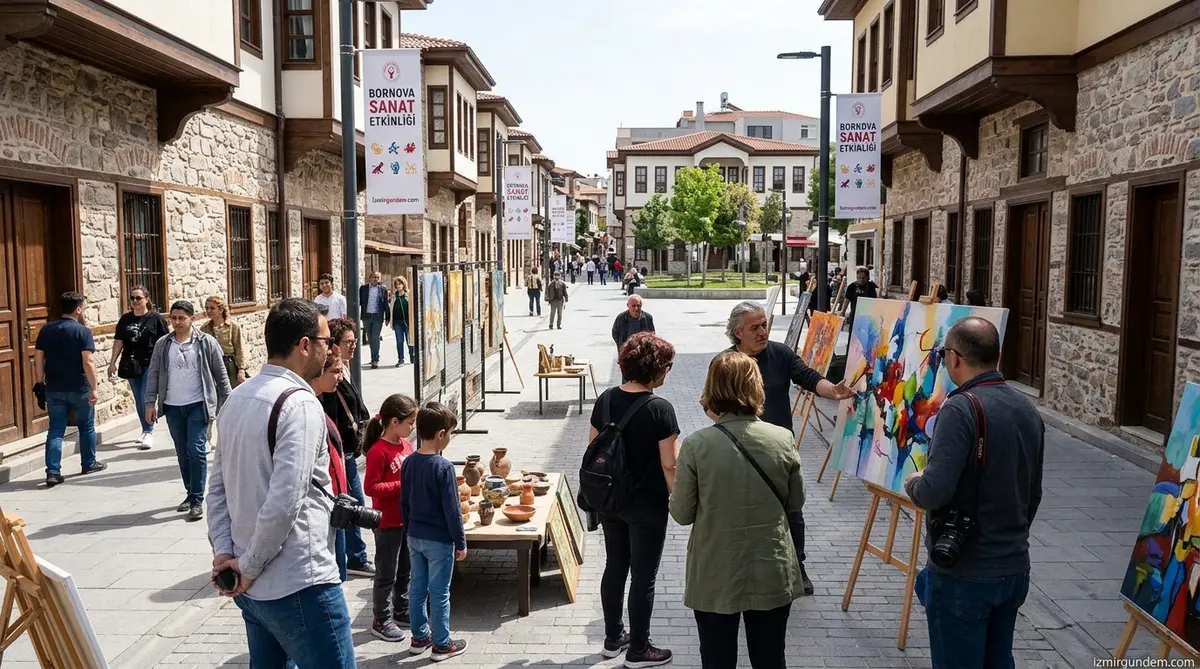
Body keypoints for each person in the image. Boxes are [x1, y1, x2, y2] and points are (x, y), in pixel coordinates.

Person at [208, 298, 355, 668]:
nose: (331, 350)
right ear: (305, 346)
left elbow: (217, 489)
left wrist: (228, 555)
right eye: (326, 341)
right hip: (299, 582)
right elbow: (285, 502)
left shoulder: (238, 398)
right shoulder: (300, 405)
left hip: (251, 582)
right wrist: (248, 565)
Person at [904, 318, 1044, 669]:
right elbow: (1034, 493)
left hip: (966, 571)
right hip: (1013, 566)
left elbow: (934, 490)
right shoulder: (1027, 408)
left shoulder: (961, 408)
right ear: (996, 355)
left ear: (953, 358)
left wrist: (913, 483)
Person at [671, 351, 805, 669]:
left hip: (716, 569)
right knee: (771, 658)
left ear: (713, 389)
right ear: (757, 388)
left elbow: (681, 513)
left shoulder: (696, 445)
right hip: (770, 566)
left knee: (717, 660)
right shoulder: (782, 438)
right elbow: (795, 503)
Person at [725, 301, 853, 594]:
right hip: (740, 452)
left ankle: (798, 566)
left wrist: (832, 390)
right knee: (744, 512)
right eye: (754, 327)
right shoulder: (725, 363)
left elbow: (807, 377)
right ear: (737, 333)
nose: (762, 332)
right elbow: (710, 404)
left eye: (764, 325)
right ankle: (747, 570)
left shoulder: (780, 354)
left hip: (780, 450)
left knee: (791, 510)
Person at [590, 332, 678, 667]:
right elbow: (670, 464)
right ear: (655, 369)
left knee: (615, 567)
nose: (668, 372)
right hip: (648, 505)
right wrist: (682, 500)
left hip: (612, 500)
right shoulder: (660, 409)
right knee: (644, 576)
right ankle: (639, 649)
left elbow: (592, 449)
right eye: (666, 366)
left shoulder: (607, 399)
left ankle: (613, 638)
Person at [145, 300, 232, 521]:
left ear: (192, 319)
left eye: (181, 318)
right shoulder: (163, 344)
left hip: (198, 404)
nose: (176, 322)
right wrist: (149, 403)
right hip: (173, 406)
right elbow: (154, 374)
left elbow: (221, 375)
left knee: (196, 449)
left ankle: (196, 500)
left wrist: (230, 403)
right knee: (182, 452)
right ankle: (190, 491)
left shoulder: (206, 342)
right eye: (173, 318)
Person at [401, 402, 468, 660]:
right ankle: (442, 644)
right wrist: (460, 542)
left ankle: (419, 637)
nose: (450, 438)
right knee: (439, 592)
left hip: (415, 536)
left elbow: (404, 502)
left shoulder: (409, 463)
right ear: (441, 434)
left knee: (417, 588)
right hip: (439, 540)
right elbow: (452, 511)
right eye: (450, 433)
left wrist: (410, 530)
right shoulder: (443, 467)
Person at [321, 317, 375, 579]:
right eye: (348, 342)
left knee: (353, 504)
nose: (353, 346)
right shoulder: (331, 374)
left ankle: (353, 556)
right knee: (351, 505)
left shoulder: (343, 367)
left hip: (348, 452)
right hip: (339, 454)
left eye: (355, 341)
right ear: (333, 344)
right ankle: (354, 558)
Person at [362, 393, 419, 642]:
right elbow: (371, 488)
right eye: (410, 422)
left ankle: (401, 608)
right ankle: (381, 618)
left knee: (405, 569)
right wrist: (402, 485)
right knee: (387, 572)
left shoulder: (406, 445)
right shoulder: (378, 451)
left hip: (406, 518)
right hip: (387, 523)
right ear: (394, 421)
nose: (413, 426)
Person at [36, 291, 105, 487]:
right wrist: (95, 387)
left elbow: (39, 358)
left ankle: (53, 471)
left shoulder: (46, 330)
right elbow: (88, 361)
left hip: (55, 387)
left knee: (56, 429)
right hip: (79, 387)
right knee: (86, 426)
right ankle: (88, 463)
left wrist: (40, 382)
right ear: (78, 309)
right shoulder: (83, 332)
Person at [108, 285, 169, 450]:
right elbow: (119, 341)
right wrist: (112, 362)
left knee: (145, 397)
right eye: (132, 298)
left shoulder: (156, 319)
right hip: (131, 365)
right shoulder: (125, 319)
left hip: (150, 363)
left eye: (138, 298)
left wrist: (166, 363)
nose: (135, 301)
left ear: (147, 299)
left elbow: (165, 341)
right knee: (138, 399)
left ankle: (149, 431)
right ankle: (145, 428)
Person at [201, 295, 247, 388]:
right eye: (207, 308)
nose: (208, 311)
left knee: (230, 391)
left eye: (212, 308)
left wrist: (241, 370)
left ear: (221, 310)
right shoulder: (204, 328)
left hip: (228, 364)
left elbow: (239, 348)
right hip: (211, 364)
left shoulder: (233, 326)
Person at [359, 271, 390, 369]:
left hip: (378, 316)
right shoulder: (363, 288)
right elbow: (359, 302)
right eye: (373, 277)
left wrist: (387, 317)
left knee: (375, 337)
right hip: (367, 316)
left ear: (379, 279)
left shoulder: (383, 289)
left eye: (377, 277)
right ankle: (374, 355)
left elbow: (385, 303)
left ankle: (375, 359)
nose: (375, 279)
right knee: (370, 338)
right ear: (370, 278)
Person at [843, 266, 879, 332]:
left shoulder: (871, 287)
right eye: (859, 278)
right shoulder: (852, 286)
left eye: (863, 278)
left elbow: (875, 301)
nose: (861, 280)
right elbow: (847, 299)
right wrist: (843, 312)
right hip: (854, 316)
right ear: (856, 277)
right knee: (853, 337)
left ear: (867, 277)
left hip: (868, 316)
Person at [392, 276, 415, 367]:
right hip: (397, 322)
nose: (398, 286)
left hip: (408, 322)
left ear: (403, 284)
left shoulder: (408, 295)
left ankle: (412, 356)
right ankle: (401, 359)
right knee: (399, 341)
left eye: (400, 284)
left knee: (410, 340)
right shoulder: (394, 296)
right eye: (396, 284)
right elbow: (391, 308)